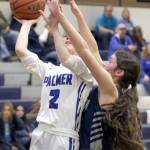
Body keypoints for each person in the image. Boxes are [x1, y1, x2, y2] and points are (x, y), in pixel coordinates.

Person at [48, 0, 144, 149]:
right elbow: (92, 49)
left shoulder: (109, 87)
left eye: (110, 61)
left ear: (118, 72)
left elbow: (83, 50)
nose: (105, 63)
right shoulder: (108, 84)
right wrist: (78, 14)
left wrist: (61, 18)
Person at [15, 3, 94, 150]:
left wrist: (55, 28)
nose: (67, 38)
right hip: (41, 132)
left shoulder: (86, 71)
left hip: (64, 136)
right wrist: (27, 23)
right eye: (66, 38)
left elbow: (67, 60)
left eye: (72, 38)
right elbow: (20, 50)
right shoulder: (49, 69)